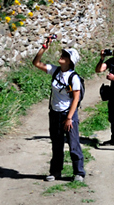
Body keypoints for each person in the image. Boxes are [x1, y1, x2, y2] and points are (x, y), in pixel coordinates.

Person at [32, 37, 85, 182]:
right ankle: (55, 172)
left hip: (68, 115)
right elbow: (36, 63)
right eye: (63, 54)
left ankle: (79, 173)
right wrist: (44, 47)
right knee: (56, 144)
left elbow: (76, 98)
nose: (62, 56)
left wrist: (69, 118)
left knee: (73, 144)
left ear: (70, 61)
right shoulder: (55, 71)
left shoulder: (74, 78)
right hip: (54, 113)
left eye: (66, 55)